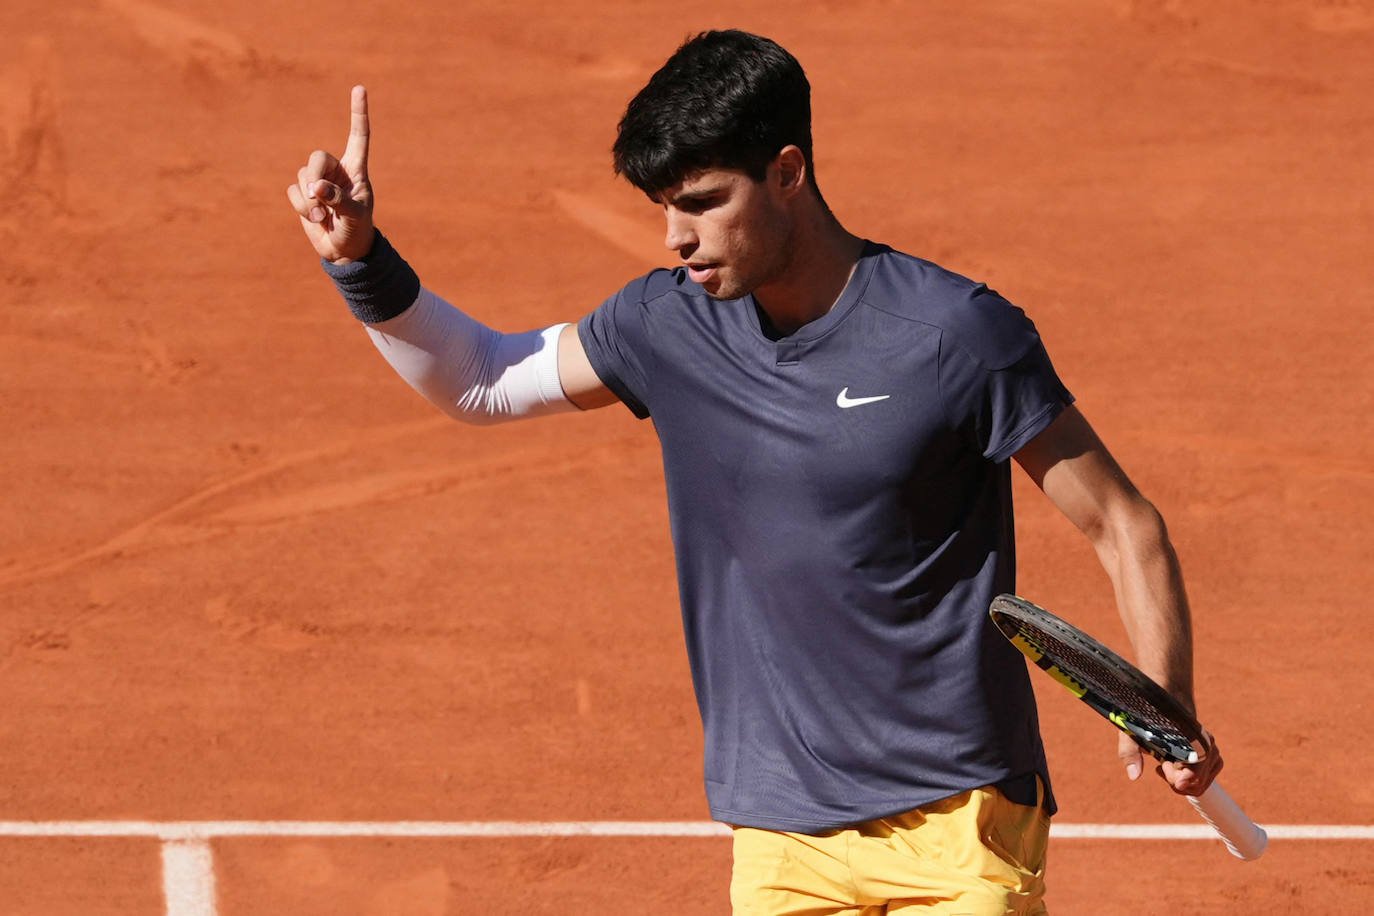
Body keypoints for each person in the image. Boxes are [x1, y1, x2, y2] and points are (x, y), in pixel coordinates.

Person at [287, 29, 1222, 915]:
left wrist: (1164, 696)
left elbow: (1121, 522)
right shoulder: (669, 326)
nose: (675, 239)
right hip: (780, 829)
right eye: (664, 208)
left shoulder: (953, 336)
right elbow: (483, 380)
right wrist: (362, 262)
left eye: (701, 203)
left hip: (962, 819)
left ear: (787, 173)